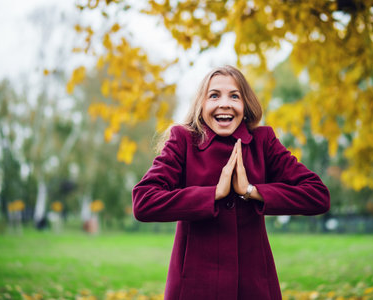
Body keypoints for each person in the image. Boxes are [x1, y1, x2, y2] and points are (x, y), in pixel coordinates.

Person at [132, 65, 330, 300]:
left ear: (245, 106)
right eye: (214, 95)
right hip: (194, 287)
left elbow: (318, 195)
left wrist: (250, 191)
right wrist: (213, 194)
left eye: (234, 96)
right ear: (201, 106)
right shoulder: (183, 141)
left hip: (254, 287)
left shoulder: (263, 142)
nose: (224, 103)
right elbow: (144, 201)